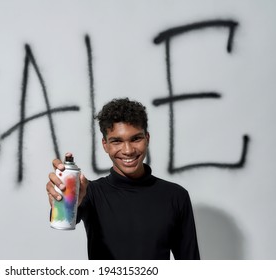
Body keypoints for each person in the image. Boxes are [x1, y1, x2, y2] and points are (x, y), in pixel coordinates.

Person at [46, 98, 200, 260]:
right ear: (105, 145)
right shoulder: (89, 193)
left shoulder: (175, 196)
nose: (128, 150)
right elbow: (61, 220)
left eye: (136, 139)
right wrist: (64, 201)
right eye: (117, 141)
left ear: (147, 138)